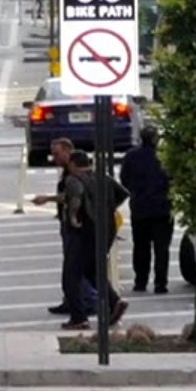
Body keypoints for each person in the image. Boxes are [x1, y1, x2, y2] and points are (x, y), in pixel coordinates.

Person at [61, 151, 129, 330]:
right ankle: (114, 302)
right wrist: (108, 207)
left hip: (85, 229)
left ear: (74, 164)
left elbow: (76, 195)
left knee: (71, 275)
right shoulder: (102, 177)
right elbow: (122, 193)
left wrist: (74, 215)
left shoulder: (74, 178)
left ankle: (78, 317)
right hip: (107, 228)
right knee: (93, 271)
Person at [119, 127, 173, 294]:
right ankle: (160, 283)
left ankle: (140, 281)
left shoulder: (131, 156)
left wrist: (136, 191)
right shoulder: (165, 157)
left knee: (141, 246)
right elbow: (174, 178)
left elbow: (124, 178)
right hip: (163, 208)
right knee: (162, 248)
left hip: (140, 207)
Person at [31, 138, 78, 315]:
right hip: (66, 221)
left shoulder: (74, 171)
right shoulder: (66, 171)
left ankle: (80, 301)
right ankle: (70, 299)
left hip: (74, 224)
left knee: (74, 266)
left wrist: (47, 199)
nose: (54, 157)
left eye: (57, 154)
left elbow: (71, 195)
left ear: (68, 151)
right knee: (70, 264)